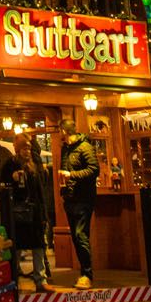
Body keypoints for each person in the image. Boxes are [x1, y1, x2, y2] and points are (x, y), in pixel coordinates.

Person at [0, 136, 49, 292]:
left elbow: (40, 190)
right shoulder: (11, 164)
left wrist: (44, 213)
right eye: (24, 149)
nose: (27, 152)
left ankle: (40, 280)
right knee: (17, 247)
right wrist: (11, 179)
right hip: (19, 213)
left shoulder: (35, 164)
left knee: (39, 246)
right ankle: (14, 280)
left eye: (28, 148)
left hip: (35, 212)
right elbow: (2, 185)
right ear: (18, 149)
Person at [58, 117, 99, 289]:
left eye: (61, 131)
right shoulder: (66, 149)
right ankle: (83, 273)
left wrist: (71, 175)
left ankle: (87, 274)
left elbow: (94, 169)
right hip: (70, 198)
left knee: (81, 235)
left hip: (84, 199)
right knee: (76, 236)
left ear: (65, 131)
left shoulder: (85, 147)